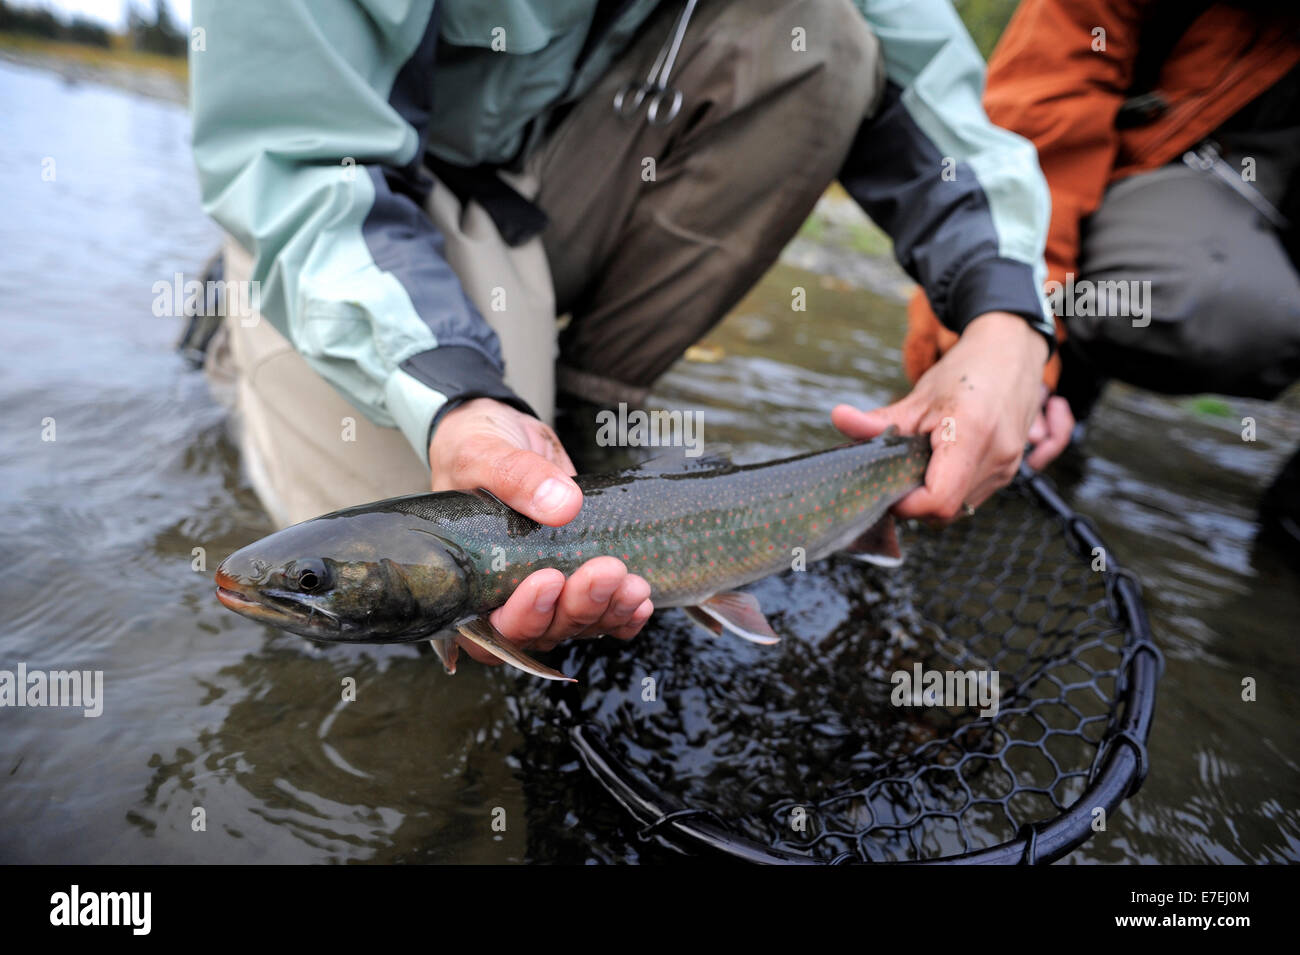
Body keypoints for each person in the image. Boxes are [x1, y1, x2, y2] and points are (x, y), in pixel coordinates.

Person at [190, 0, 1057, 664]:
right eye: (311, 580)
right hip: (369, 205)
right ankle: (255, 321)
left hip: (574, 173)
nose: (308, 582)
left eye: (311, 580)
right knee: (422, 646)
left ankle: (573, 428)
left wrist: (1006, 318)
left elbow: (934, 84)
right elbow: (292, 155)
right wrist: (455, 395)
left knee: (820, 34)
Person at [904, 0, 1300, 548]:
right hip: (1173, 202)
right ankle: (1054, 367)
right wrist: (1004, 350)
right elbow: (1033, 136)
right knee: (1211, 302)